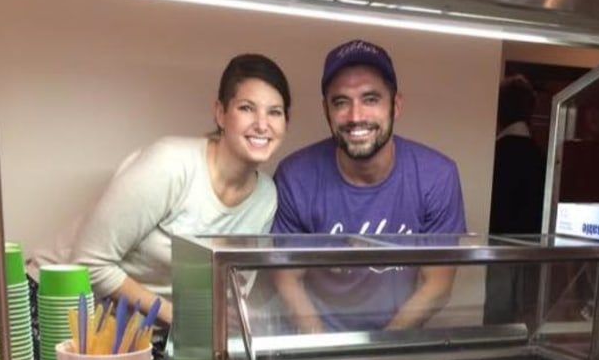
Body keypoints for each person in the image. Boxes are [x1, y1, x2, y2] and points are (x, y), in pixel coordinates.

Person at [30, 52, 291, 337]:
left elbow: (227, 293)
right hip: (52, 302)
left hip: (135, 329)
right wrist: (178, 317)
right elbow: (89, 263)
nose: (262, 124)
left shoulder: (266, 197)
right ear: (220, 113)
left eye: (274, 112)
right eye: (246, 108)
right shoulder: (171, 164)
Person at [270, 39, 466, 333]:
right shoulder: (295, 176)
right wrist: (324, 352)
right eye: (341, 102)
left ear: (395, 105)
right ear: (326, 109)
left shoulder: (437, 176)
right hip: (316, 344)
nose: (355, 116)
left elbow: (437, 284)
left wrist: (378, 352)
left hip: (396, 341)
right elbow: (288, 280)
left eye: (371, 99)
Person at [484, 74, 546, 325]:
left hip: (498, 248)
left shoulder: (494, 154)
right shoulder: (540, 156)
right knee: (525, 317)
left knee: (497, 317)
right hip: (534, 251)